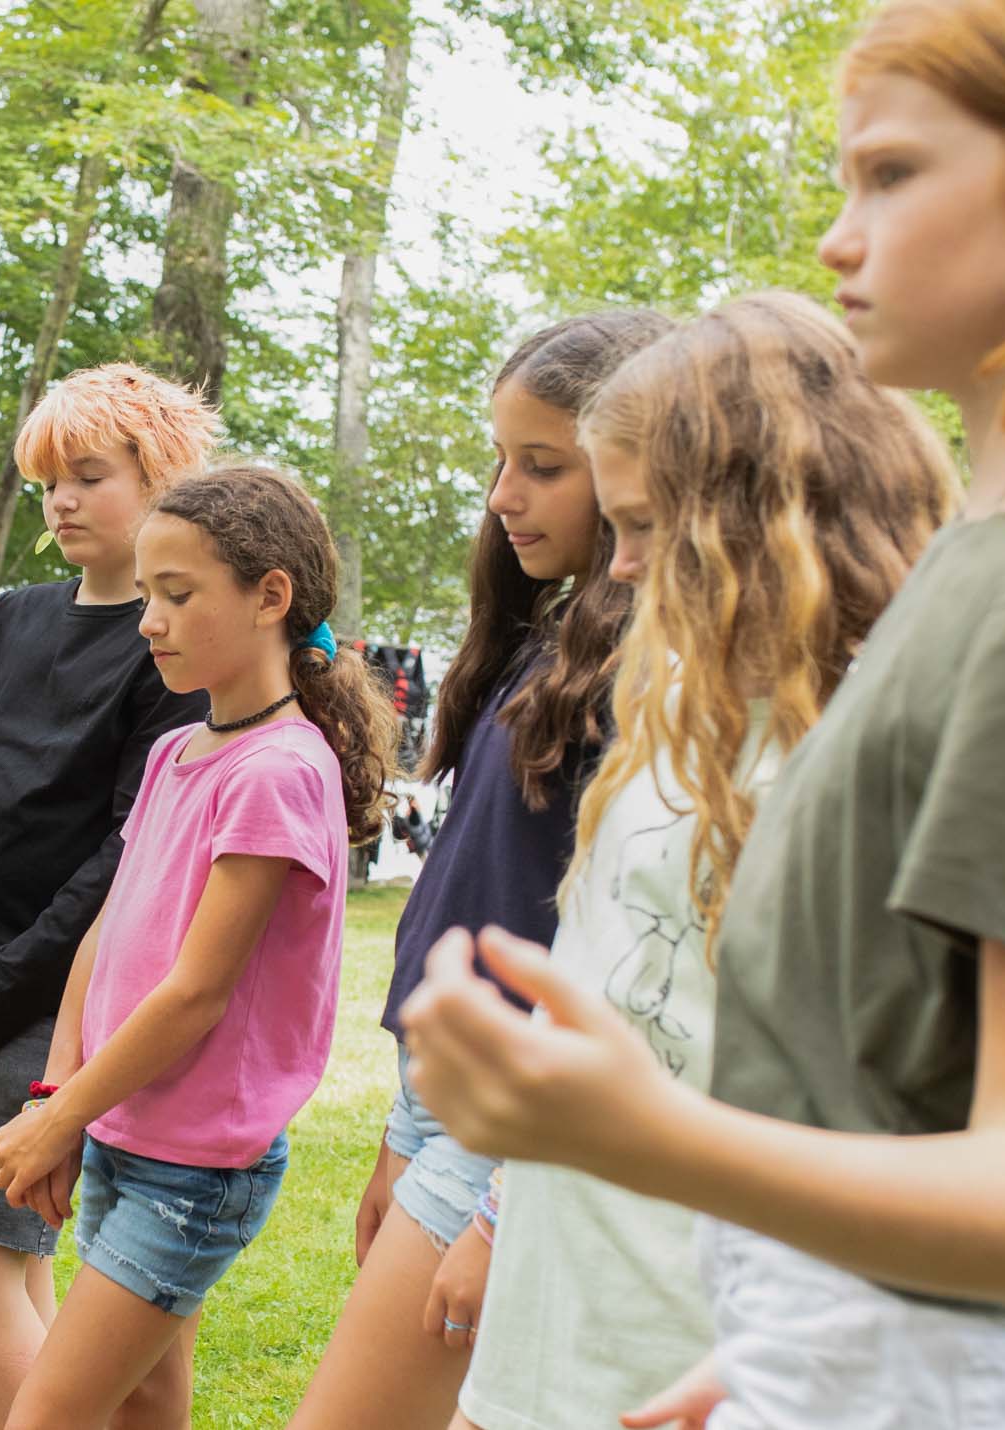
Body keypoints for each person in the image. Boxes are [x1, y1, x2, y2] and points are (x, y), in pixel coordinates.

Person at [403, 0, 1005, 1424]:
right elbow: (900, 1091)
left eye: (891, 175)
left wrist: (638, 1132)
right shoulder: (988, 558)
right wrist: (781, 1336)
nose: (842, 236)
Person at [450, 293, 954, 1430]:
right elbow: (602, 981)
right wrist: (494, 1210)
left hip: (704, 1349)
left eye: (643, 526)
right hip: (546, 1324)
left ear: (766, 516)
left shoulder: (875, 750)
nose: (617, 569)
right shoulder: (670, 698)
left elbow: (904, 1128)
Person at [289, 310, 668, 1430]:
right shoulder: (542, 639)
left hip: (520, 1115)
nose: (504, 494)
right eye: (500, 460)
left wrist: (499, 1203)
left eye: (543, 465)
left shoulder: (651, 671)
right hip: (442, 1093)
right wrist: (401, 1129)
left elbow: (620, 950)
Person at [0, 466, 398, 1430]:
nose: (149, 621)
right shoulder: (182, 752)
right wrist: (58, 1097)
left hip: (196, 1167)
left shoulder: (280, 770)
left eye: (177, 595)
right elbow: (109, 926)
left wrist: (62, 1121)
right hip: (129, 1133)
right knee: (141, 1407)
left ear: (270, 597)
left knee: (43, 1415)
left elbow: (195, 994)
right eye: (148, 595)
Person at [0, 363, 215, 1429]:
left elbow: (126, 855)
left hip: (61, 1002)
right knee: (19, 1269)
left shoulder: (169, 646)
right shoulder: (19, 614)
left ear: (161, 477)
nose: (64, 500)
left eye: (89, 475)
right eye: (48, 482)